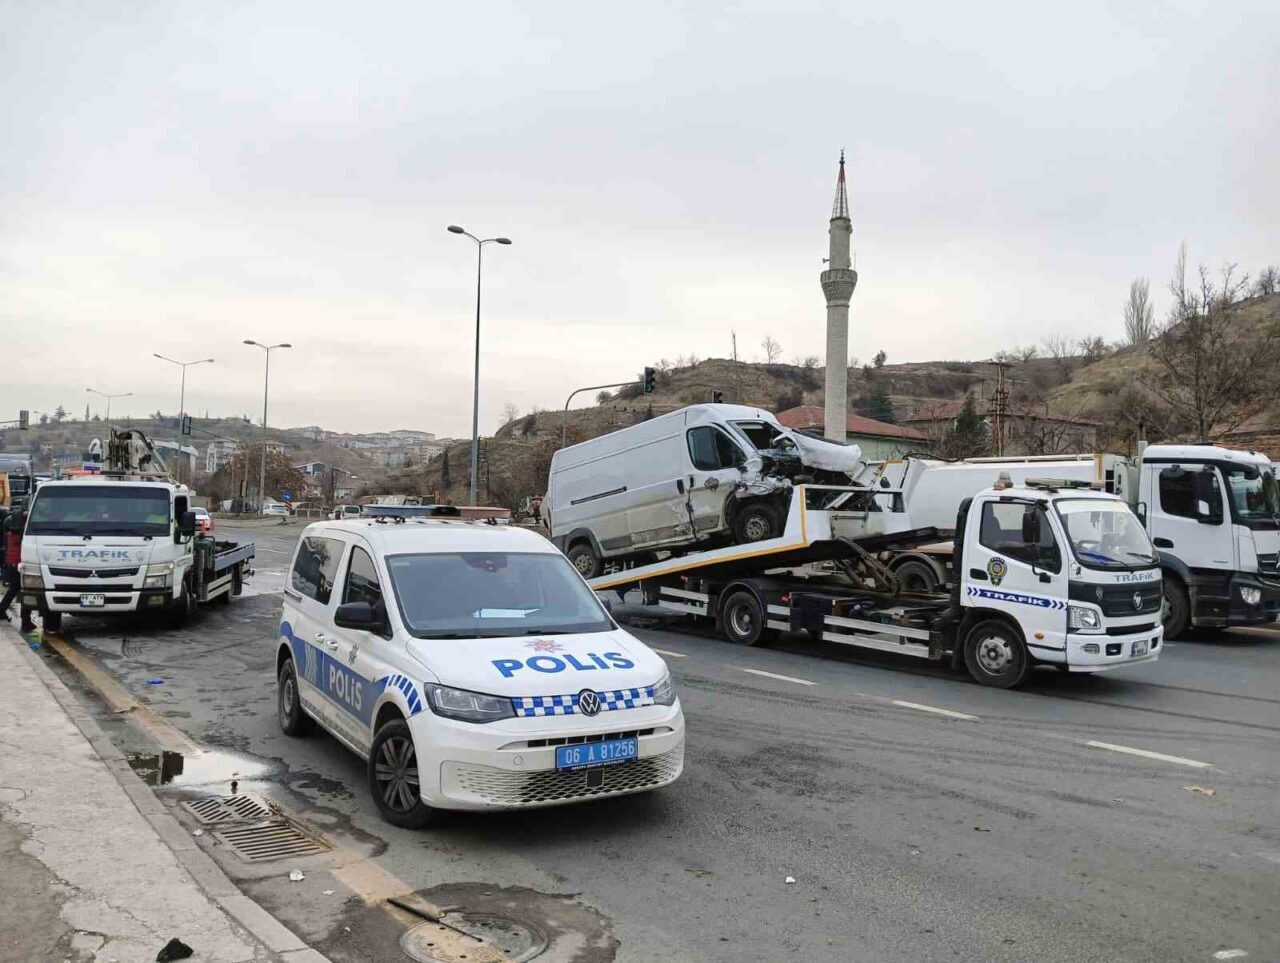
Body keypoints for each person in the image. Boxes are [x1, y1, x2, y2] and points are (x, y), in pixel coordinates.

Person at [0, 501, 35, 632]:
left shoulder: (10, 534)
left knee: (13, 590)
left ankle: (2, 610)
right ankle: (26, 622)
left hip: (11, 563)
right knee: (26, 591)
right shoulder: (23, 536)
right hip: (21, 564)